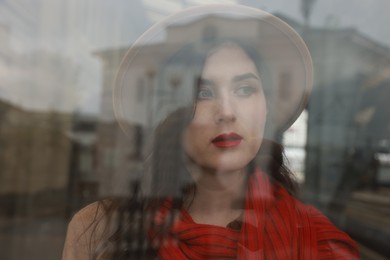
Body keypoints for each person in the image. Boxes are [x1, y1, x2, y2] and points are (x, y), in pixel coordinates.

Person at [62, 5, 359, 260]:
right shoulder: (100, 231)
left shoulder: (319, 244)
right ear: (171, 114)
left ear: (265, 108)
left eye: (245, 89)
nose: (226, 111)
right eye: (203, 92)